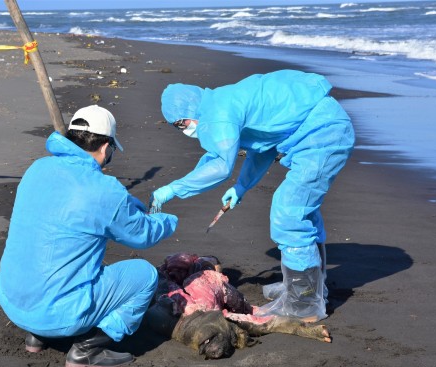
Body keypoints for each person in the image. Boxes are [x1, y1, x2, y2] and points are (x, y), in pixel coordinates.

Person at [149, 70, 354, 322]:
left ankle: (305, 302)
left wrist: (171, 189)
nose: (185, 130)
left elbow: (221, 165)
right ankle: (308, 285)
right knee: (303, 210)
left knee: (289, 211)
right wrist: (241, 187)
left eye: (181, 124)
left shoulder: (217, 113)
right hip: (319, 128)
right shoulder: (222, 100)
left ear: (191, 110)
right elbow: (262, 148)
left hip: (322, 136)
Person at [0, 105, 178, 367]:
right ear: (105, 148)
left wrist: (128, 204)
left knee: (66, 256)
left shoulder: (38, 168)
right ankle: (88, 348)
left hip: (13, 302)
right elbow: (142, 235)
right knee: (145, 276)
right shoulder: (103, 189)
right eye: (112, 150)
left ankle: (37, 336)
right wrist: (168, 220)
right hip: (55, 314)